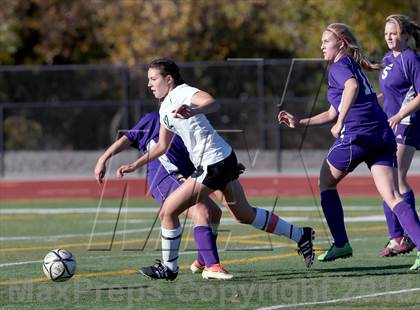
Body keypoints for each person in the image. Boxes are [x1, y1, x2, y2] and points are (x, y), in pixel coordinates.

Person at [116, 58, 315, 281]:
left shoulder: (183, 92)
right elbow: (162, 146)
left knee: (168, 211)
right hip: (223, 159)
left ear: (169, 79)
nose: (150, 84)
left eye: (153, 79)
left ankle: (175, 268)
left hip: (213, 163)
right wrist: (135, 164)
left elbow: (212, 103)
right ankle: (300, 235)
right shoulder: (165, 109)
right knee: (244, 214)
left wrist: (193, 109)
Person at [278, 23, 420, 270]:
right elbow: (334, 111)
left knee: (325, 182)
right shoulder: (350, 65)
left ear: (341, 44)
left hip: (359, 135)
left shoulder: (339, 66)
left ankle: (341, 243)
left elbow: (351, 89)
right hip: (382, 134)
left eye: (326, 41)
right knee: (393, 195)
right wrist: (300, 122)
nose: (321, 45)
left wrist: (342, 121)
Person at [94, 111, 234, 280]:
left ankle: (202, 261)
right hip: (162, 176)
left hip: (183, 176)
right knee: (201, 210)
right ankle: (211, 266)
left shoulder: (190, 125)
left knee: (215, 212)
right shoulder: (155, 118)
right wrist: (103, 159)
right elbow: (128, 138)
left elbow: (203, 157)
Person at [377, 14, 420, 258]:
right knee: (389, 184)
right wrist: (373, 100)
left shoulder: (410, 59)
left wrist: (400, 114)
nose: (389, 38)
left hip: (408, 122)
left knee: (396, 181)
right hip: (391, 124)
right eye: (386, 34)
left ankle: (407, 239)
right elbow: (389, 93)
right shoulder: (386, 59)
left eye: (393, 33)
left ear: (405, 35)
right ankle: (399, 238)